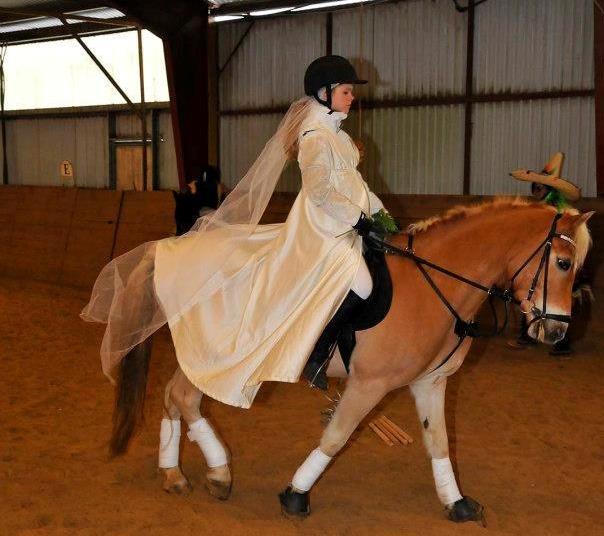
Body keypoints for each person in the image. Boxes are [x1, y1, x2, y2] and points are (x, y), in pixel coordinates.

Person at [82, 55, 394, 407]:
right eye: (347, 91)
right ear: (324, 93)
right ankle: (318, 354)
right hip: (321, 232)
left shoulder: (339, 138)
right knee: (364, 285)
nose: (352, 97)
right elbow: (321, 193)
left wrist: (382, 217)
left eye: (351, 92)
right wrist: (358, 219)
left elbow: (358, 187)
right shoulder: (314, 138)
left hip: (342, 226)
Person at [509, 152, 590, 356]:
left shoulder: (558, 211)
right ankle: (528, 335)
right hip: (545, 261)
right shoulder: (541, 209)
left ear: (549, 189)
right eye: (535, 187)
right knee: (530, 295)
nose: (536, 191)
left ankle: (561, 344)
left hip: (558, 262)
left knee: (560, 300)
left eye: (540, 187)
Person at [174, 164, 225, 235]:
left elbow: (199, 202)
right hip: (198, 209)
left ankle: (182, 229)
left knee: (185, 207)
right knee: (184, 206)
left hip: (204, 209)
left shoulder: (216, 187)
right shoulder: (205, 185)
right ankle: (182, 229)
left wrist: (194, 191)